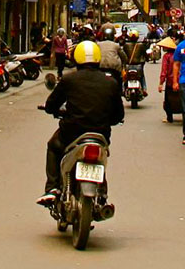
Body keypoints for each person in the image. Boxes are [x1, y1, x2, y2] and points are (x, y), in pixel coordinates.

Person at [37, 40, 124, 205]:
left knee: (53, 146)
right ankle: (102, 194)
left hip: (71, 133)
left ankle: (52, 188)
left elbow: (51, 105)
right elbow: (118, 115)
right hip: (100, 134)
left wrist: (53, 110)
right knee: (100, 158)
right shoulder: (110, 82)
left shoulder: (69, 80)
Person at [157, 36, 179, 123]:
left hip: (170, 81)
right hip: (181, 80)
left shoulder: (167, 56)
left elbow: (164, 71)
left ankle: (169, 117)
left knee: (168, 100)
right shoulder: (179, 55)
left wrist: (161, 83)